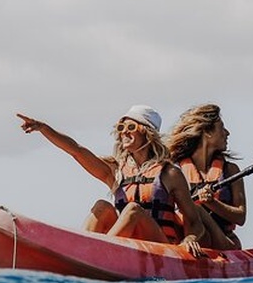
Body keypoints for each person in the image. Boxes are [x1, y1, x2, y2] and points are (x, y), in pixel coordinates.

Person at [17, 105, 206, 257]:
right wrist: (43, 128)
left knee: (133, 210)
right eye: (121, 128)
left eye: (131, 127)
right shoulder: (115, 170)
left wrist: (190, 238)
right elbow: (76, 150)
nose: (124, 132)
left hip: (160, 248)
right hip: (127, 246)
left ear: (148, 133)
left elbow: (195, 221)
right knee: (102, 206)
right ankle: (82, 251)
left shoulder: (169, 173)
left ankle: (96, 255)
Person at [167, 103, 246, 250]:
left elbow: (241, 217)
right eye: (222, 128)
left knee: (196, 209)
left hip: (224, 243)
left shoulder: (230, 170)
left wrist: (212, 202)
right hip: (189, 240)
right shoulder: (175, 171)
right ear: (207, 132)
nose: (227, 133)